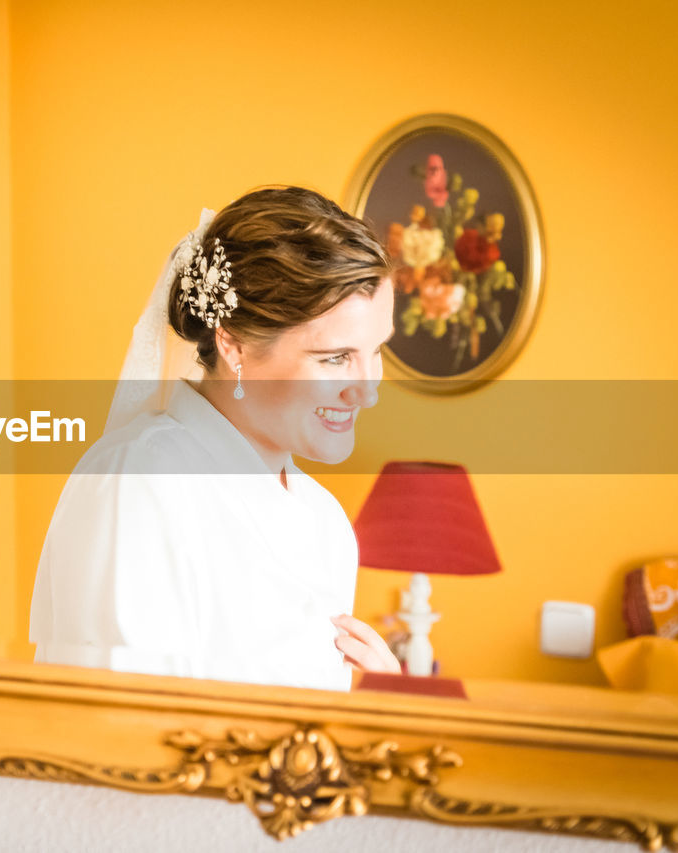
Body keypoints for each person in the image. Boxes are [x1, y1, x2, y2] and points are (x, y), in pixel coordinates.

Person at [28, 186, 402, 691]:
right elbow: (117, 738)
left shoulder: (326, 520)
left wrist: (383, 712)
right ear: (235, 344)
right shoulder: (139, 483)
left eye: (374, 351)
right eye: (335, 358)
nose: (367, 392)